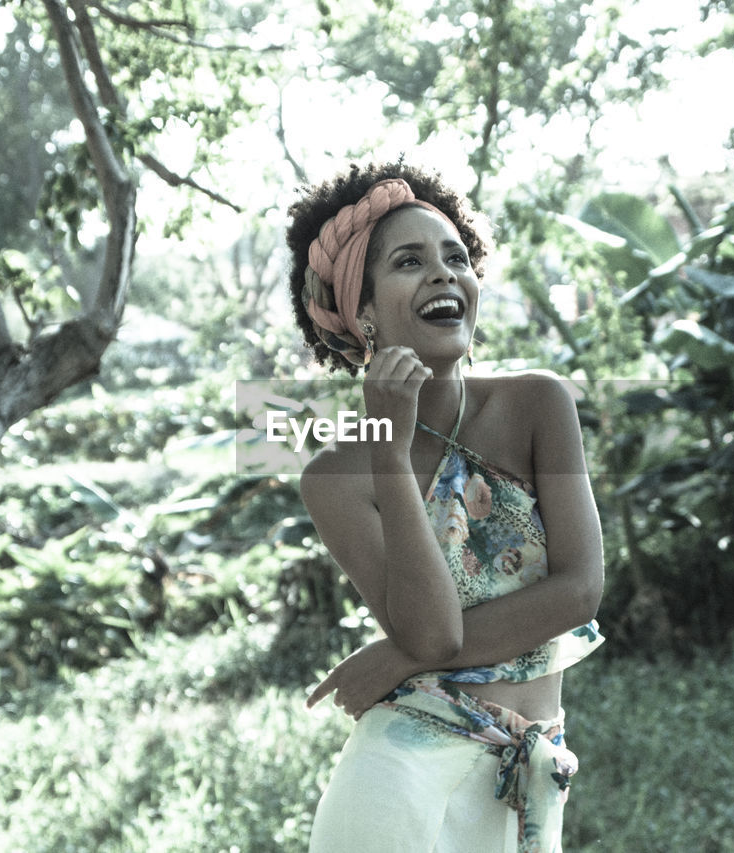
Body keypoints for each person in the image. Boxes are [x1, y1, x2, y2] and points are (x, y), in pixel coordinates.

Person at [286, 161, 605, 853]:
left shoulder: (537, 404)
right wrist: (392, 457)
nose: (442, 273)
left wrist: (394, 659)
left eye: (455, 257)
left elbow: (579, 590)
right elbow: (433, 638)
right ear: (363, 310)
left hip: (530, 771)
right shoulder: (336, 476)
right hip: (398, 773)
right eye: (409, 261)